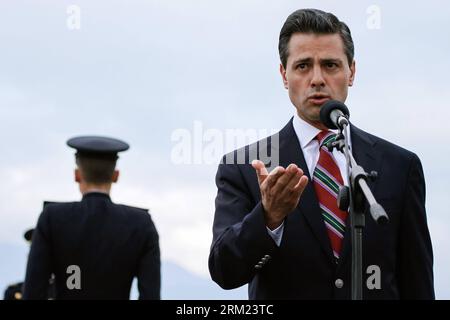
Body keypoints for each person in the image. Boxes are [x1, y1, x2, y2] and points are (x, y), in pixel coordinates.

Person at [208, 9, 434, 299]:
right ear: (284, 74)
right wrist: (267, 218)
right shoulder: (244, 167)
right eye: (303, 66)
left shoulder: (400, 167)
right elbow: (225, 272)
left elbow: (417, 281)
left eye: (330, 65)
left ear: (351, 71)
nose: (317, 78)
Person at [23, 136, 160, 300]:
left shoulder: (52, 218)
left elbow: (33, 291)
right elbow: (150, 295)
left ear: (77, 175)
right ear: (116, 176)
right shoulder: (141, 223)